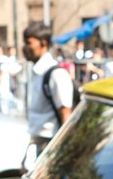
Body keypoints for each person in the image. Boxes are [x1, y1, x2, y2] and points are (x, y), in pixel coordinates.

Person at [23, 23, 75, 156]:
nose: (25, 48)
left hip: (52, 145)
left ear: (43, 43)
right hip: (40, 144)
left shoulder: (55, 74)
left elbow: (65, 114)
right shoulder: (37, 72)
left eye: (29, 43)